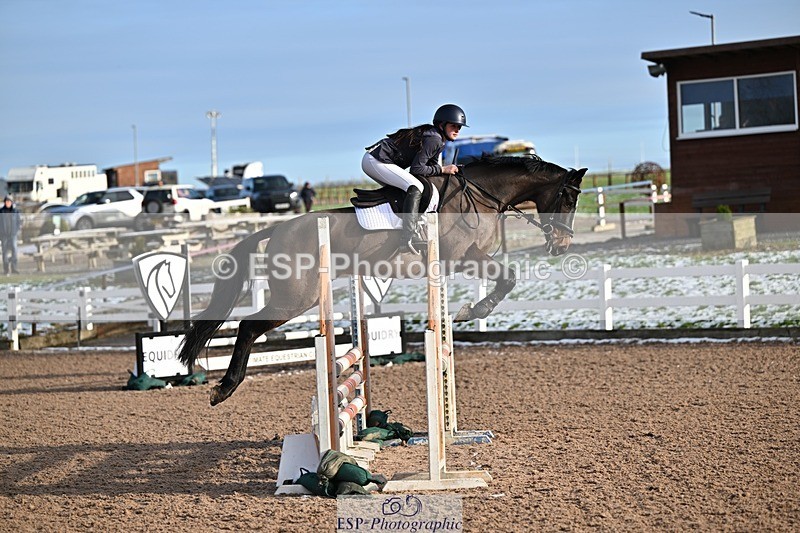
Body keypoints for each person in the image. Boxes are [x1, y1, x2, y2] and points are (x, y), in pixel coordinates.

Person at [362, 103, 467, 254]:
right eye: (454, 126)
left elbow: (432, 169)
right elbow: (417, 169)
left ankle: (395, 227)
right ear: (442, 125)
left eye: (459, 127)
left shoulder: (437, 139)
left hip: (378, 160)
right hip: (375, 161)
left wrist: (449, 170)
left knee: (409, 188)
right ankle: (407, 237)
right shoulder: (434, 139)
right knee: (415, 186)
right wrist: (444, 169)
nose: (457, 130)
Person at [0, 196, 23, 275]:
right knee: (4, 252)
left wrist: (17, 230)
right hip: (4, 235)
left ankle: (14, 268)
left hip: (13, 234)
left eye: (9, 202)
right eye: (6, 202)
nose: (8, 203)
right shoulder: (1, 211)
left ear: (11, 202)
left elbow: (19, 222)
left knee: (14, 250)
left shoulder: (15, 212)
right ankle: (6, 269)